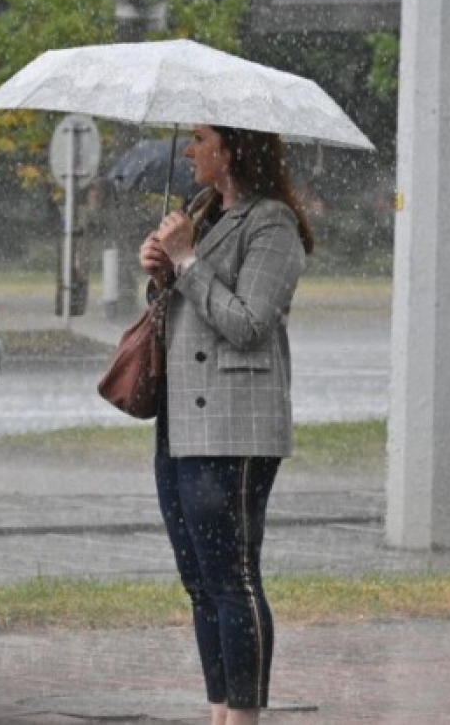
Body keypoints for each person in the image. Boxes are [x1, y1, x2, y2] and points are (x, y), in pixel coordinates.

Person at [138, 124, 311, 725]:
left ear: (232, 150)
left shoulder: (273, 225)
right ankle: (219, 712)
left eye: (200, 140)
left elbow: (249, 323)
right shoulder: (202, 213)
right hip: (180, 420)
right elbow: (181, 315)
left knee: (232, 577)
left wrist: (186, 260)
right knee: (199, 581)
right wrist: (160, 272)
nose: (189, 150)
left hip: (236, 428)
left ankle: (244, 718)